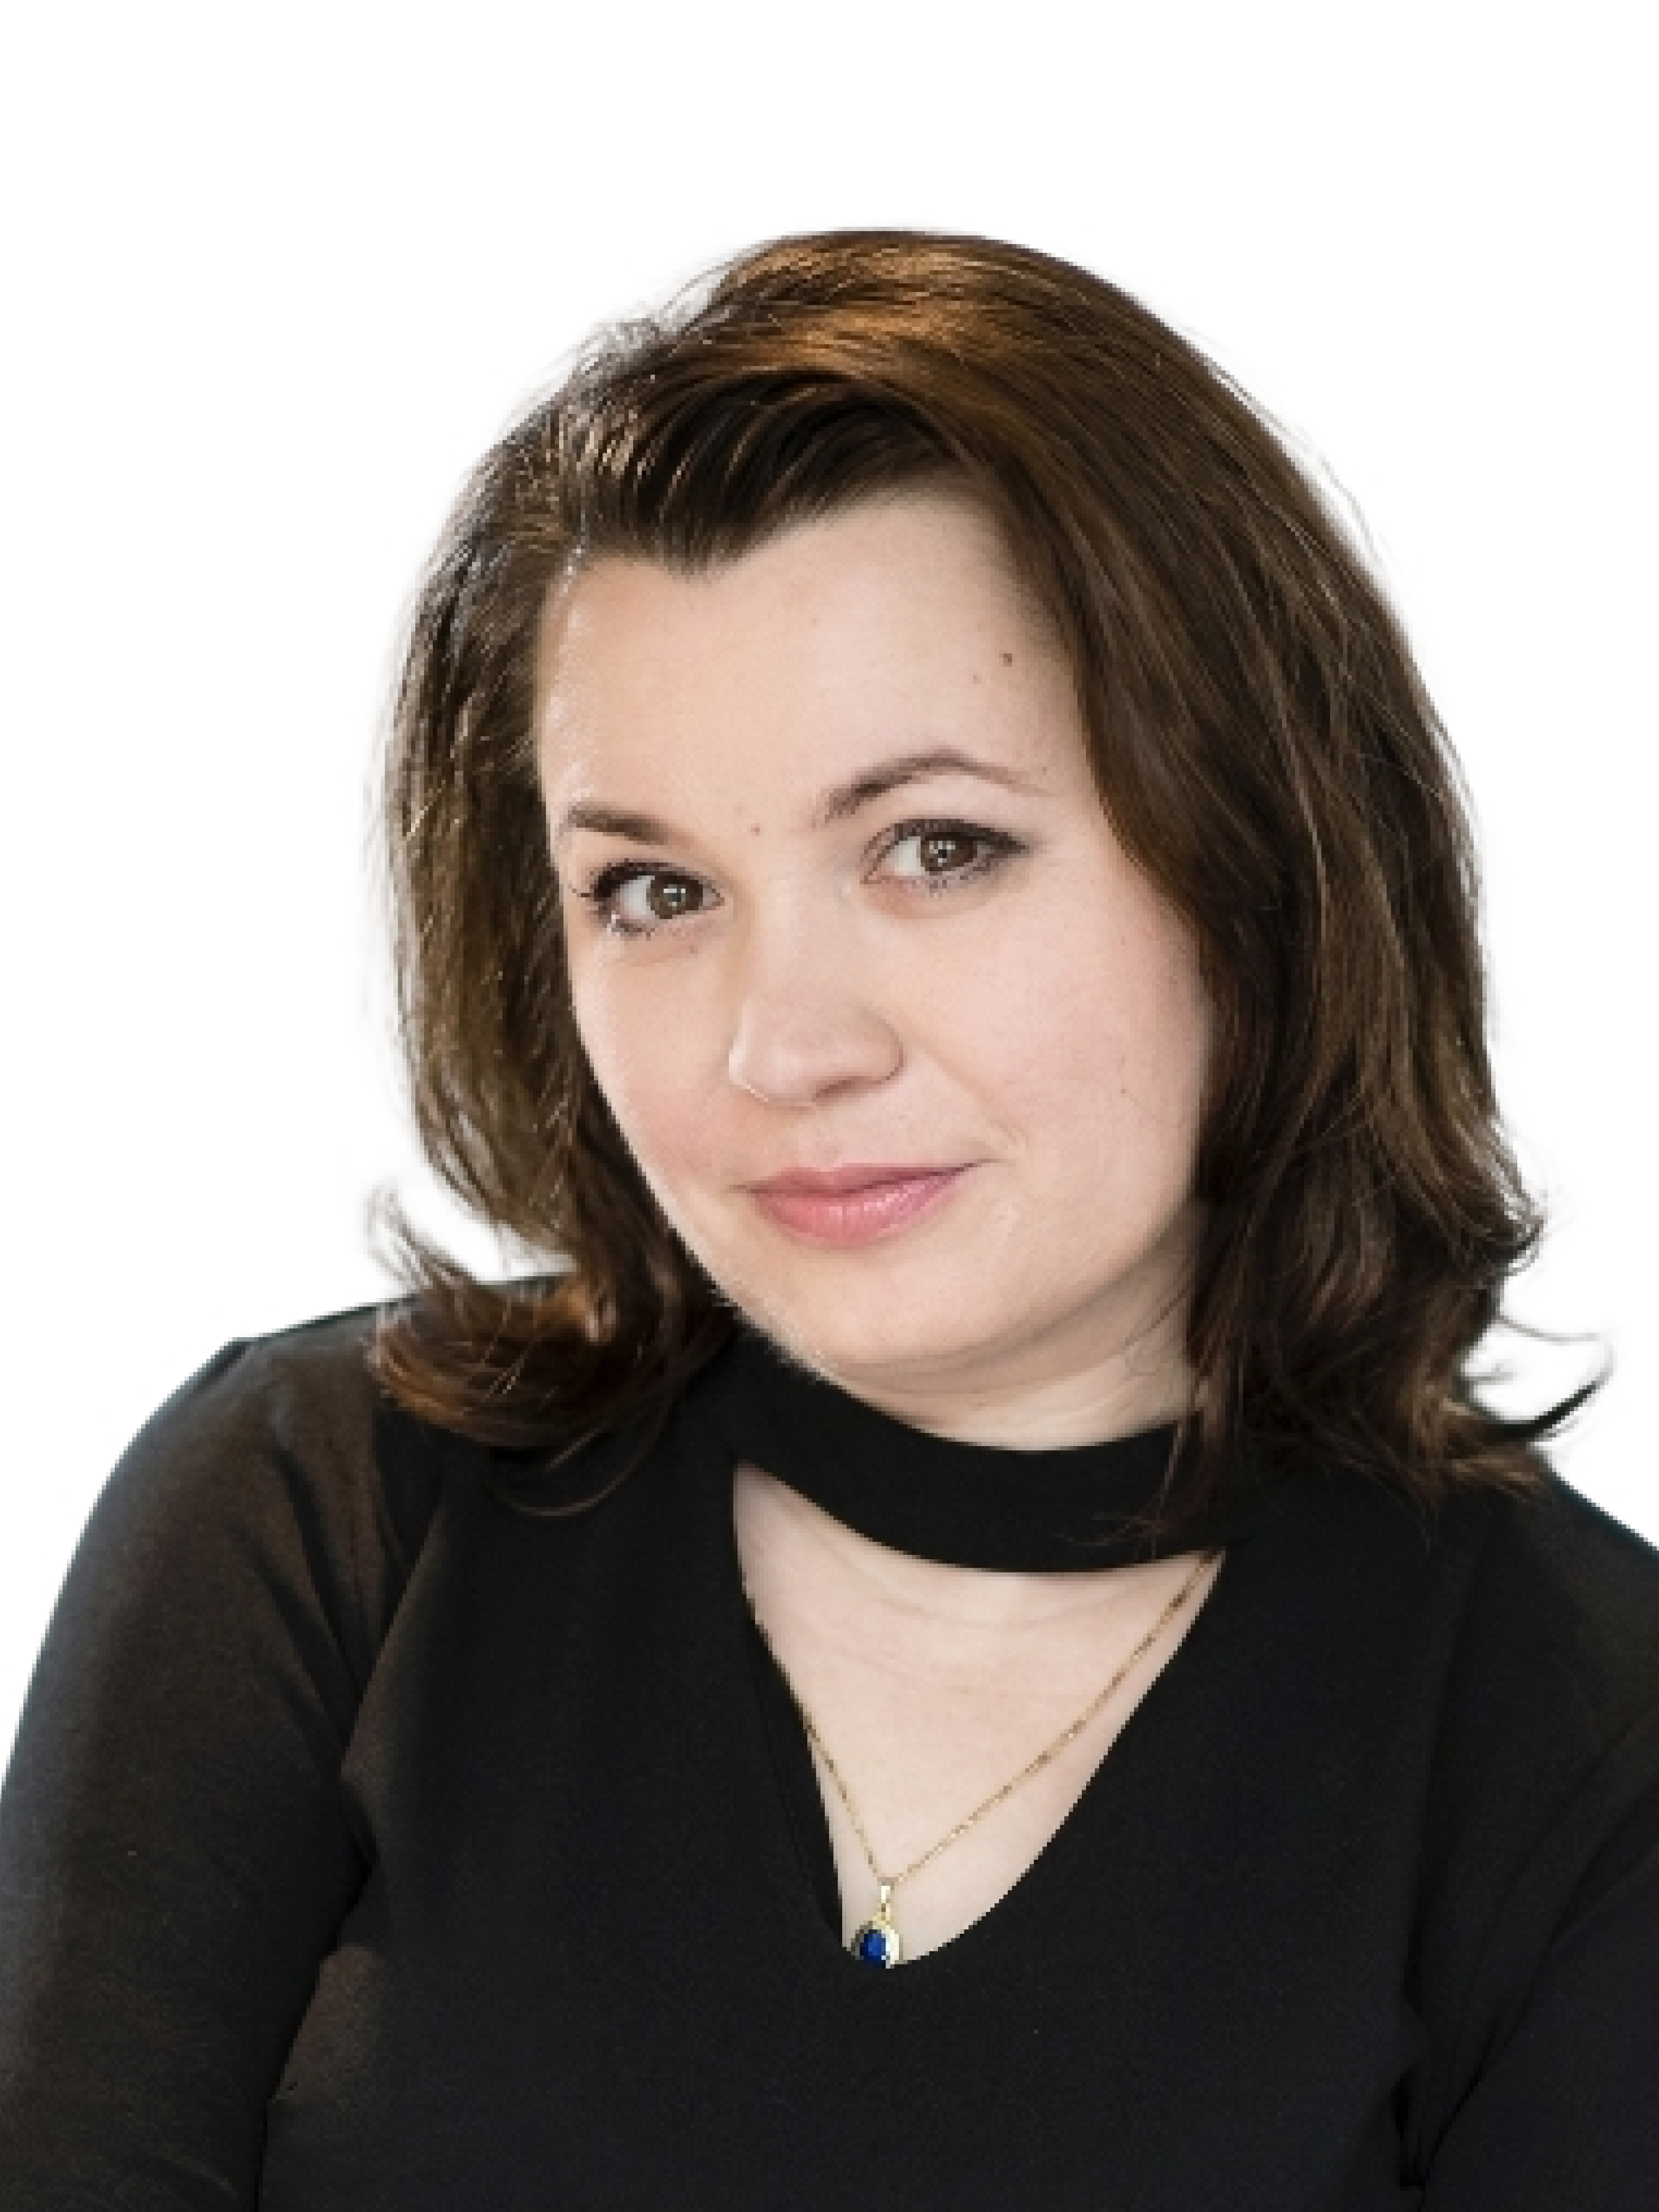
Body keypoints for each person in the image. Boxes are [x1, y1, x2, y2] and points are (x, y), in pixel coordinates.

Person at [1, 227, 1654, 2210]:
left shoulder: (1583, 1743)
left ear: (1263, 870)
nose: (781, 1047)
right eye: (657, 890)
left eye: (936, 848)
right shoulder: (320, 1519)